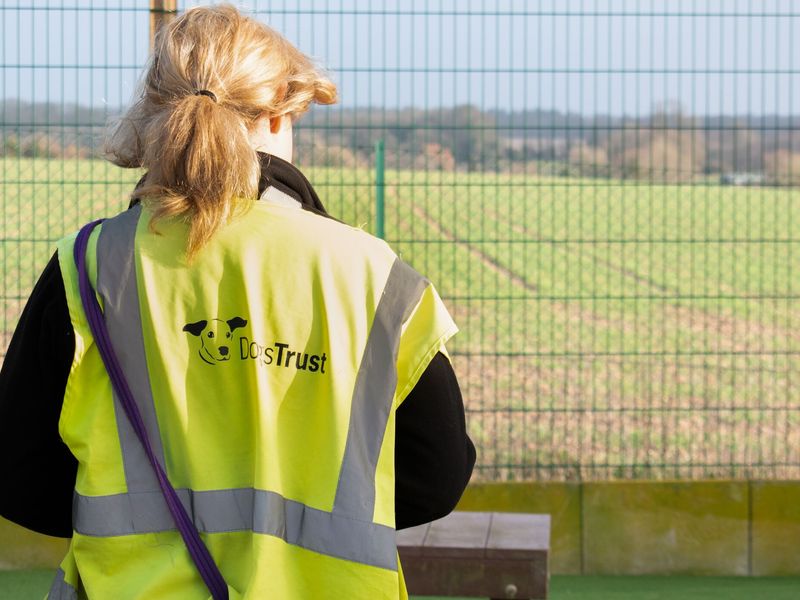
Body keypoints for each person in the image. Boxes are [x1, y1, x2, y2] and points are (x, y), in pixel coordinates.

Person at [0, 5, 475, 599]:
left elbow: (21, 480)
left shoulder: (90, 264)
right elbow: (436, 479)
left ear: (152, 112)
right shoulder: (371, 275)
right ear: (280, 109)